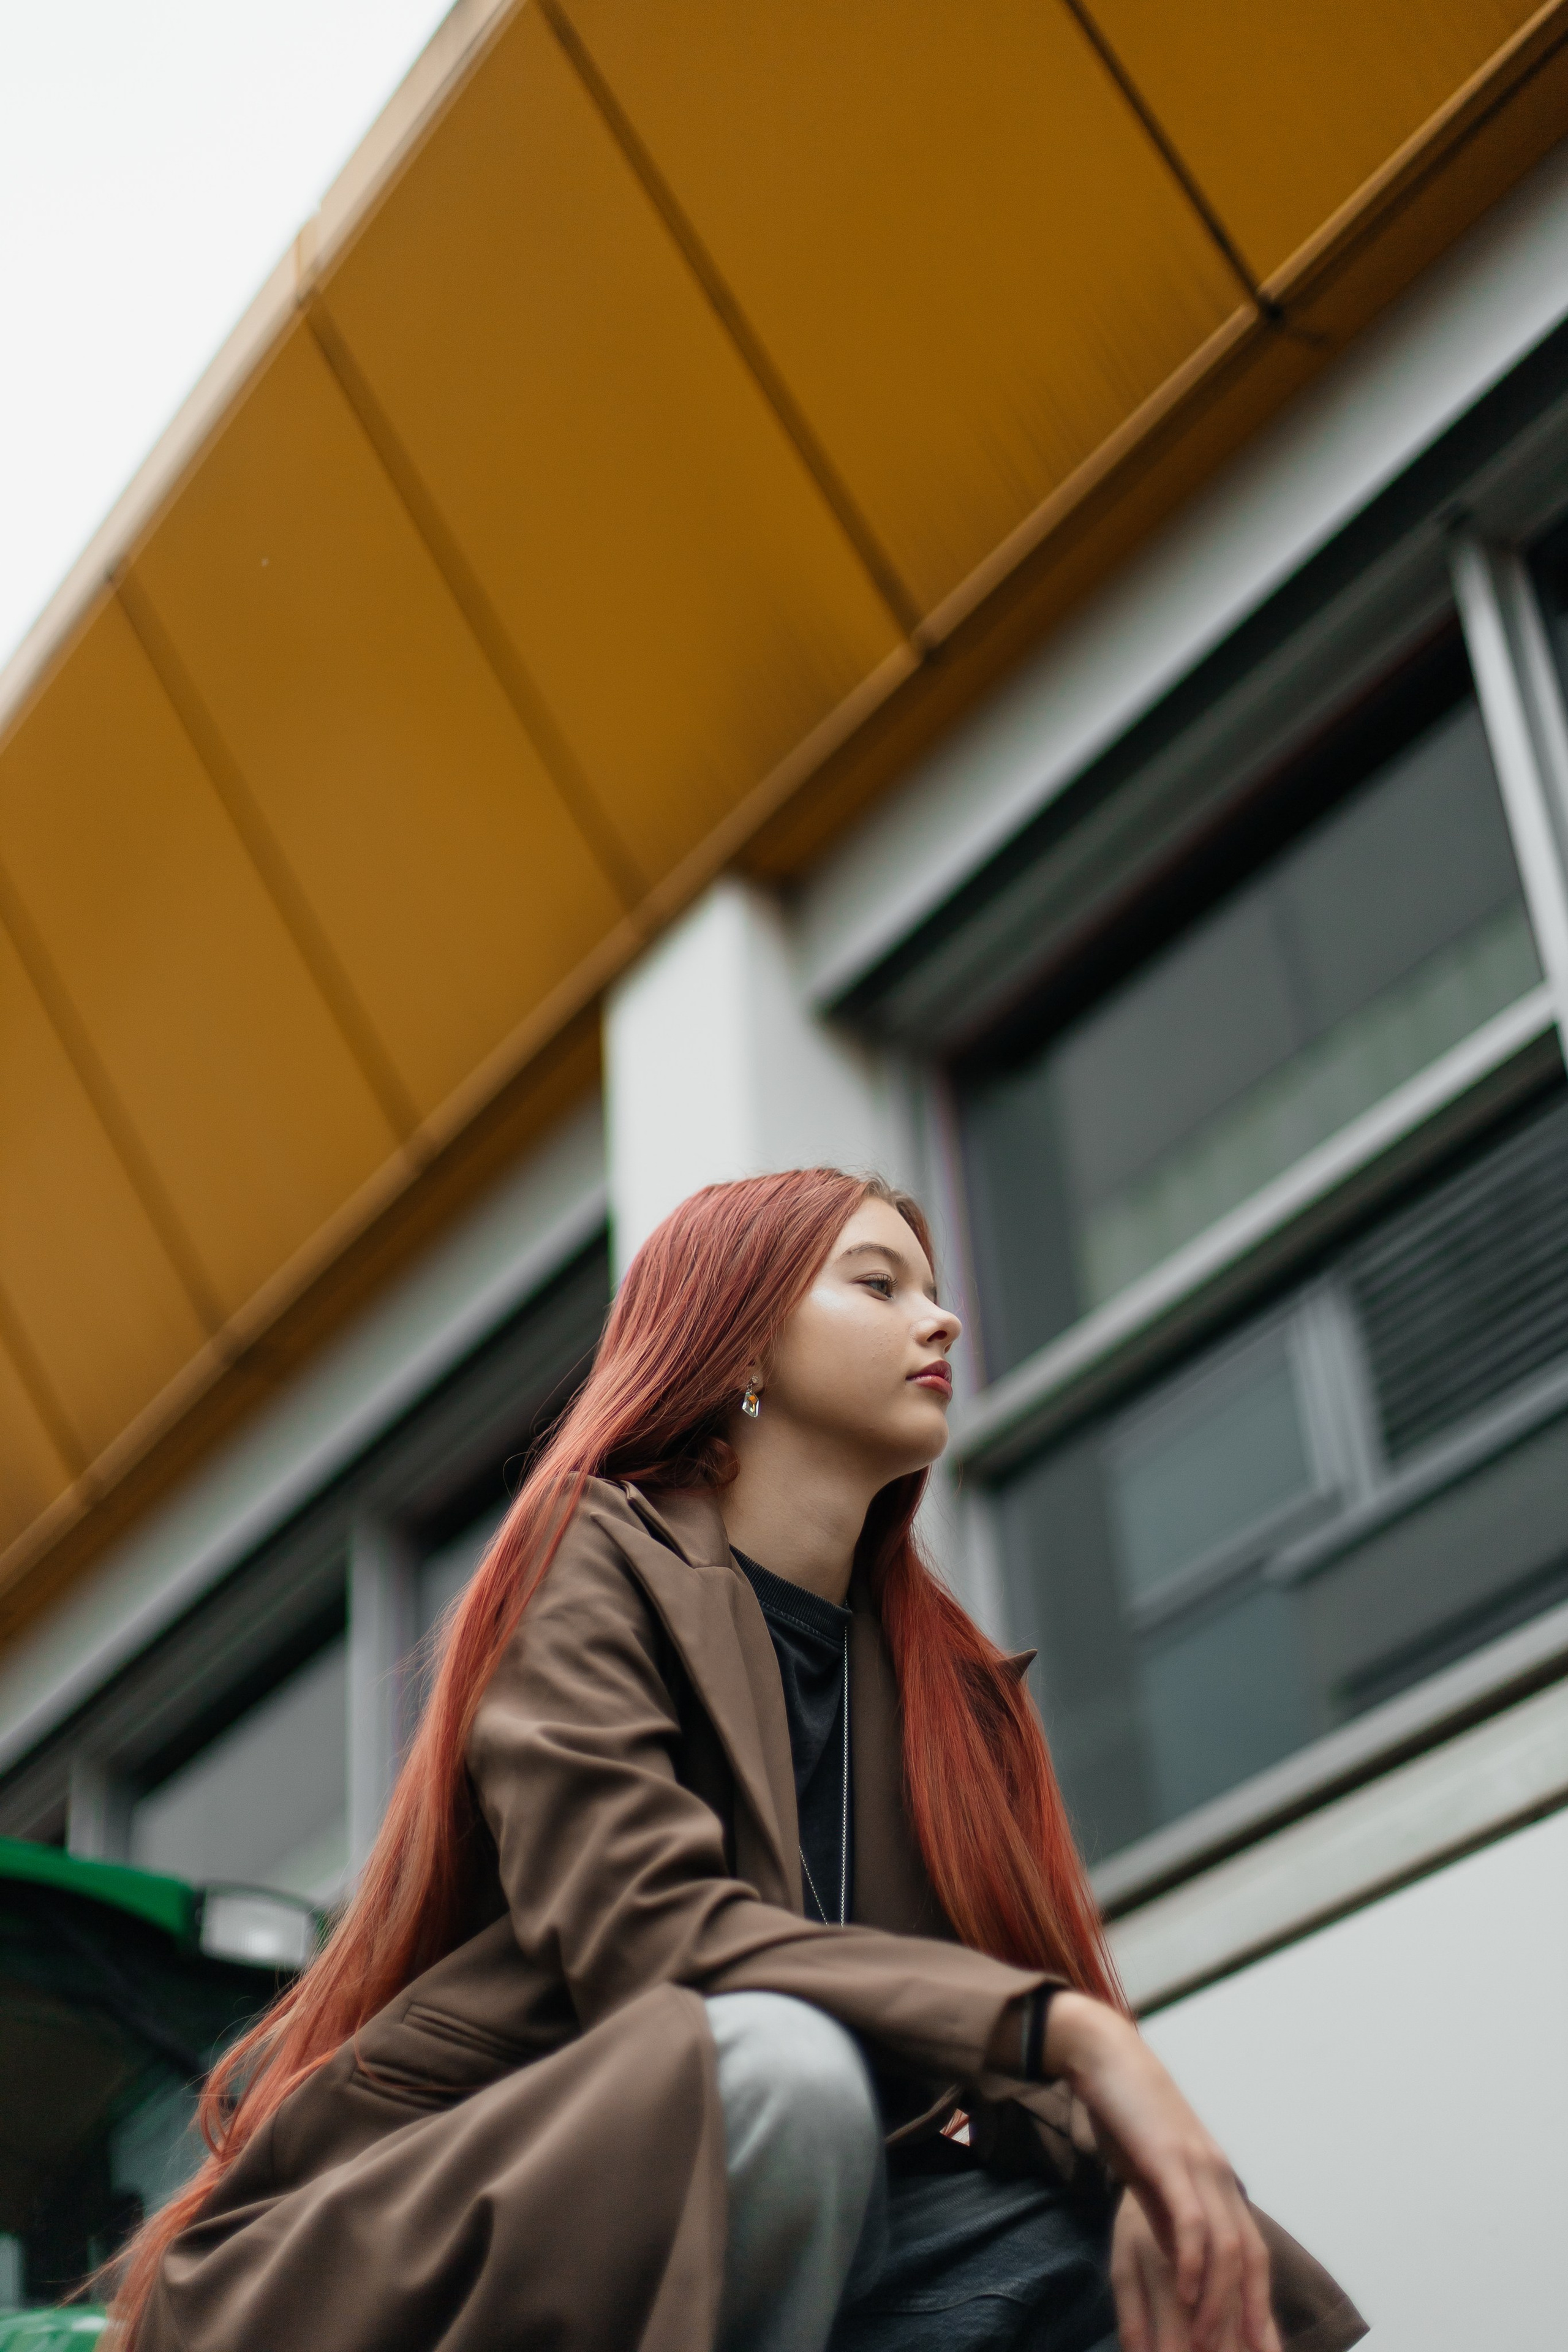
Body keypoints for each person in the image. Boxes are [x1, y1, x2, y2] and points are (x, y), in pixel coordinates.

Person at [111, 1170, 1366, 2352]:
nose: (942, 1319)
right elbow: (642, 1932)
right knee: (779, 2069)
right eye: (877, 1286)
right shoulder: (594, 1551)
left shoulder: (951, 1699)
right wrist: (1068, 2036)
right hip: (423, 2261)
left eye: (929, 1288)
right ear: (743, 1346)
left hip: (787, 2247)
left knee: (1162, 2253)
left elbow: (1005, 2042)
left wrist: (1138, 2175)